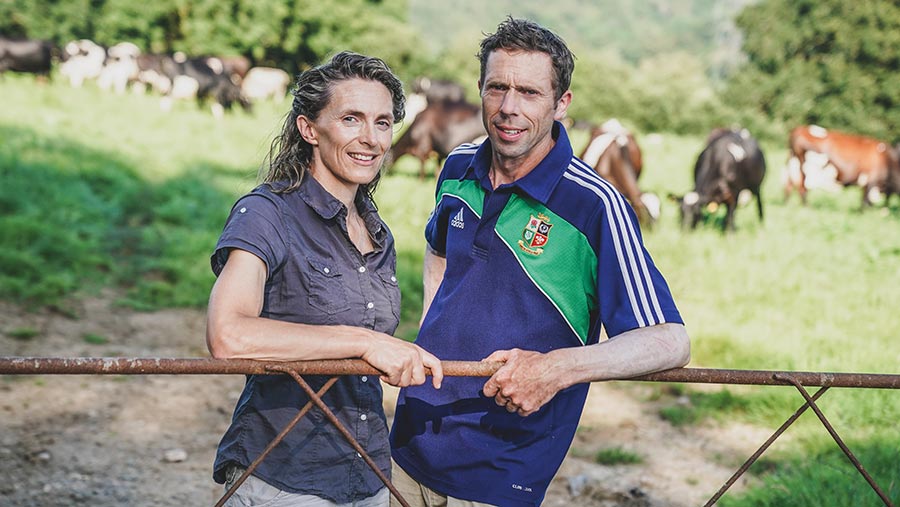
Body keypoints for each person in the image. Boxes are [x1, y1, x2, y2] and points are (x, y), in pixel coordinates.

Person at [389, 18, 690, 507]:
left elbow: (670, 340)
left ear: (562, 104)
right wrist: (430, 327)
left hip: (503, 466)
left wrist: (557, 370)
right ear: (480, 91)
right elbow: (438, 247)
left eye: (529, 92)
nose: (509, 108)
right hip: (411, 439)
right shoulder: (458, 165)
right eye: (497, 88)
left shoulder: (594, 205)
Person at [206, 51, 444, 507]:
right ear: (309, 129)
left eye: (382, 122)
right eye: (351, 119)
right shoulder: (266, 213)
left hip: (369, 474)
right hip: (284, 478)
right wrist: (363, 342)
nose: (370, 138)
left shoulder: (378, 232)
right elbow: (228, 335)